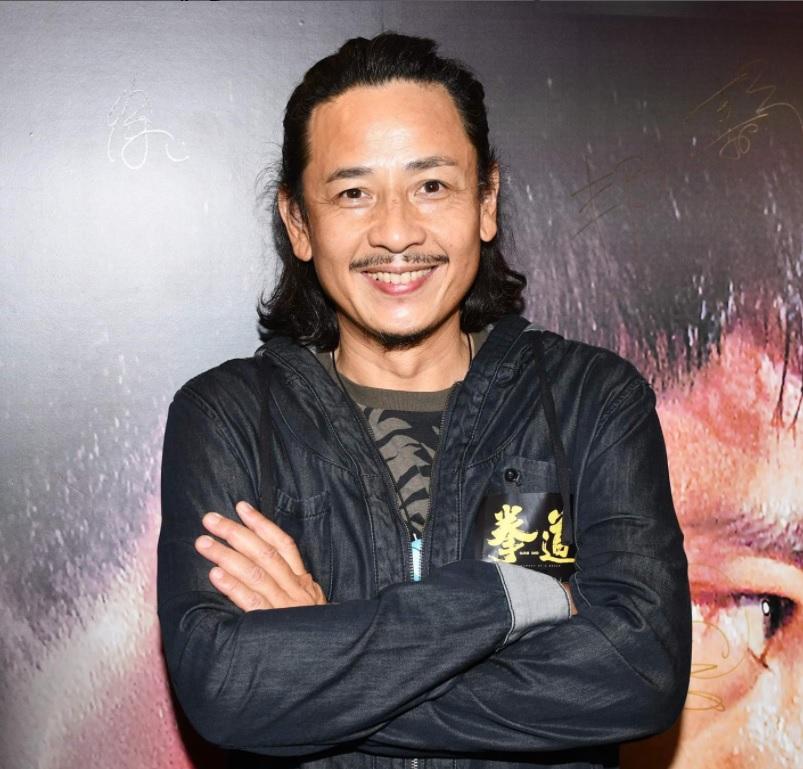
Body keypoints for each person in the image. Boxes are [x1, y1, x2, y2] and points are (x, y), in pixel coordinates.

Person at [157, 32, 692, 769]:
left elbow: (639, 672)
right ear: (299, 223)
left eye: (431, 186)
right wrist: (509, 602)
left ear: (486, 202)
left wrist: (322, 659)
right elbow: (226, 685)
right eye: (353, 193)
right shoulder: (228, 417)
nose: (396, 232)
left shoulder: (593, 400)